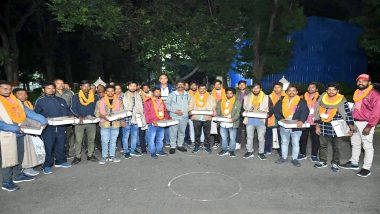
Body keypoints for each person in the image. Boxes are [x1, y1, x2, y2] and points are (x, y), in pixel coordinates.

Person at [0, 81, 47, 191]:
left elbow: (28, 112)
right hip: (6, 135)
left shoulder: (15, 100)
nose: (8, 91)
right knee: (7, 158)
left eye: (9, 89)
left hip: (20, 133)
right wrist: (14, 128)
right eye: (4, 89)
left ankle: (18, 175)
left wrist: (43, 120)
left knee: (19, 156)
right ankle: (6, 182)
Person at [340, 74, 380, 177]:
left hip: (366, 123)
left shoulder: (374, 94)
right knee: (355, 143)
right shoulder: (357, 93)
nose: (360, 83)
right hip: (355, 122)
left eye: (364, 81)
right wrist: (350, 122)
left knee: (367, 146)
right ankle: (354, 162)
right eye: (359, 81)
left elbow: (376, 112)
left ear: (369, 83)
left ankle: (366, 168)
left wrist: (369, 126)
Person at [313, 82, 355, 172]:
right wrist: (317, 126)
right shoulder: (321, 99)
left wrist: (351, 127)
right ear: (326, 90)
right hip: (323, 126)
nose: (331, 91)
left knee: (337, 147)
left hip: (338, 127)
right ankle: (322, 161)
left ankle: (335, 163)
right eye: (329, 89)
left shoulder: (342, 100)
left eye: (334, 90)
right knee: (322, 146)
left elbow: (348, 114)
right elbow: (317, 113)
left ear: (338, 91)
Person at [34, 82, 72, 174]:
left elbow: (67, 112)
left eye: (52, 88)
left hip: (61, 126)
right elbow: (36, 115)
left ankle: (61, 161)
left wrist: (71, 116)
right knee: (48, 146)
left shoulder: (61, 100)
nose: (51, 90)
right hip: (48, 128)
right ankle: (47, 165)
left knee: (61, 144)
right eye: (48, 88)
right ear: (43, 90)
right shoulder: (40, 101)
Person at [274, 84, 309, 167]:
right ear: (286, 92)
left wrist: (301, 121)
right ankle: (283, 157)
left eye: (294, 90)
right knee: (284, 142)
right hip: (284, 125)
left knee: (295, 143)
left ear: (297, 92)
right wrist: (280, 118)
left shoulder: (302, 102)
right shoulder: (281, 100)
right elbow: (276, 110)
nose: (291, 92)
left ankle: (295, 159)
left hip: (296, 126)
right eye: (289, 90)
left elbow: (305, 112)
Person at [70, 80, 99, 165]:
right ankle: (77, 156)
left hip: (91, 121)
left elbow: (97, 108)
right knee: (79, 140)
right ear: (81, 87)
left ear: (90, 87)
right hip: (80, 121)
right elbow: (72, 108)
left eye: (88, 86)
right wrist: (79, 116)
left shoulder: (95, 96)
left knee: (91, 139)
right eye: (84, 86)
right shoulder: (75, 96)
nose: (86, 88)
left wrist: (96, 116)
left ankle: (90, 154)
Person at [12, 88, 40, 176]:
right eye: (20, 94)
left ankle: (28, 166)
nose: (23, 96)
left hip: (29, 129)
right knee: (23, 151)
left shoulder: (27, 103)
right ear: (14, 95)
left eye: (25, 94)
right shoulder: (14, 105)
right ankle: (25, 168)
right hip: (19, 130)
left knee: (29, 149)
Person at [242, 82, 273, 160]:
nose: (256, 90)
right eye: (254, 88)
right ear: (252, 89)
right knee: (249, 137)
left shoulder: (266, 97)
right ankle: (249, 151)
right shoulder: (247, 97)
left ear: (261, 89)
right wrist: (243, 113)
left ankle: (261, 152)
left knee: (261, 137)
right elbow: (242, 108)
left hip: (261, 121)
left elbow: (271, 108)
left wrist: (268, 115)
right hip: (250, 120)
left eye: (257, 88)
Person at [95, 85, 124, 164]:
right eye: (108, 91)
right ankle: (104, 157)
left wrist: (121, 119)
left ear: (114, 91)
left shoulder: (119, 101)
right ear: (105, 92)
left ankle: (112, 156)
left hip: (115, 124)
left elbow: (121, 112)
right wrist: (103, 116)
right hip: (104, 124)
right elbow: (96, 113)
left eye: (112, 91)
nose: (110, 92)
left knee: (113, 141)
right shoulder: (100, 101)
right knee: (104, 141)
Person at [189, 83, 216, 154]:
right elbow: (190, 106)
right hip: (196, 118)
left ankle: (207, 146)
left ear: (206, 89)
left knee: (207, 134)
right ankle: (196, 146)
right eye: (201, 89)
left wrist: (214, 112)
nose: (202, 90)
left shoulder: (210, 97)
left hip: (207, 117)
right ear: (198, 89)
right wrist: (190, 112)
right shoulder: (193, 97)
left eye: (204, 89)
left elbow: (214, 106)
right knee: (197, 134)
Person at [144, 87, 170, 159]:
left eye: (159, 92)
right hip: (153, 123)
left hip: (161, 122)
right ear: (153, 93)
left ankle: (159, 150)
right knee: (151, 138)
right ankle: (152, 152)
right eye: (156, 92)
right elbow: (146, 113)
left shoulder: (161, 101)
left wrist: (168, 118)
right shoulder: (148, 101)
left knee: (160, 138)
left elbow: (164, 111)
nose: (158, 93)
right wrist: (152, 121)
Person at [122, 81, 145, 158]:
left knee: (134, 135)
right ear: (128, 87)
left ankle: (133, 149)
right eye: (131, 86)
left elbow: (142, 107)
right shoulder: (123, 96)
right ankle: (126, 151)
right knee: (125, 136)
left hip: (136, 118)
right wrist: (122, 120)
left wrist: (142, 118)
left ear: (137, 87)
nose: (133, 87)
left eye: (134, 86)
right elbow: (121, 109)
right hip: (126, 118)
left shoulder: (139, 96)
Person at [216, 88, 241, 157]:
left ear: (233, 94)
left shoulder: (237, 102)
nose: (229, 95)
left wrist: (234, 119)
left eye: (231, 93)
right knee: (224, 138)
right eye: (227, 93)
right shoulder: (220, 101)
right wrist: (216, 116)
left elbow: (238, 113)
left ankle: (232, 151)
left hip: (232, 123)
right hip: (223, 123)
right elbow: (218, 111)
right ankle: (224, 150)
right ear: (225, 93)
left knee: (232, 138)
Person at [298, 82, 320, 162]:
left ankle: (314, 155)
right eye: (309, 87)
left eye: (313, 87)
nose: (311, 89)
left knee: (315, 139)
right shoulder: (302, 97)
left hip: (315, 122)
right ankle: (302, 154)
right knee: (303, 139)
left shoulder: (320, 98)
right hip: (305, 121)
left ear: (316, 89)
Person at [165, 81, 189, 154]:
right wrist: (175, 111)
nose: (180, 86)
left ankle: (180, 145)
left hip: (184, 117)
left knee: (182, 132)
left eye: (182, 85)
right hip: (174, 117)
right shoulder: (172, 94)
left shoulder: (188, 95)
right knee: (173, 132)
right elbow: (167, 105)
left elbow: (191, 105)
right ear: (176, 86)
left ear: (184, 86)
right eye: (179, 85)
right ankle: (172, 146)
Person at [54, 79, 76, 159]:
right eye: (58, 83)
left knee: (67, 136)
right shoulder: (52, 93)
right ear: (54, 84)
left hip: (68, 118)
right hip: (56, 119)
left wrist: (73, 114)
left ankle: (66, 152)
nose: (61, 85)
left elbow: (73, 105)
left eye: (62, 83)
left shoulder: (69, 93)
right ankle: (57, 154)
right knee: (57, 137)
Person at [265, 82, 285, 156]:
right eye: (275, 87)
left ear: (282, 88)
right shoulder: (269, 96)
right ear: (273, 88)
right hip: (271, 117)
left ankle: (281, 150)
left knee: (281, 135)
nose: (277, 89)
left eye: (278, 87)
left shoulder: (285, 96)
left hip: (282, 118)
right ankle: (267, 149)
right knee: (268, 134)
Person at [157, 74, 174, 147]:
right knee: (159, 125)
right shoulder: (156, 88)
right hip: (158, 109)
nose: (163, 80)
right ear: (159, 80)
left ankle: (168, 141)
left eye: (165, 78)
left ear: (167, 79)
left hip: (168, 109)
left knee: (168, 125)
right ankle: (159, 141)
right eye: (161, 78)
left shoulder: (172, 88)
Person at [235, 80, 250, 150]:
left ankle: (248, 143)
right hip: (238, 111)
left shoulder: (250, 92)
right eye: (240, 85)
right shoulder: (235, 92)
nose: (242, 86)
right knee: (239, 128)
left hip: (247, 111)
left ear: (246, 85)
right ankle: (238, 142)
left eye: (243, 84)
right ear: (238, 86)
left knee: (248, 128)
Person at [210, 80, 225, 149]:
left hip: (224, 112)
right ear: (214, 86)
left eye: (218, 84)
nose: (217, 86)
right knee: (215, 128)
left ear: (221, 85)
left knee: (224, 127)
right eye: (216, 84)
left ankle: (225, 142)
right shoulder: (210, 94)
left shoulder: (225, 92)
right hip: (214, 112)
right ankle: (216, 141)